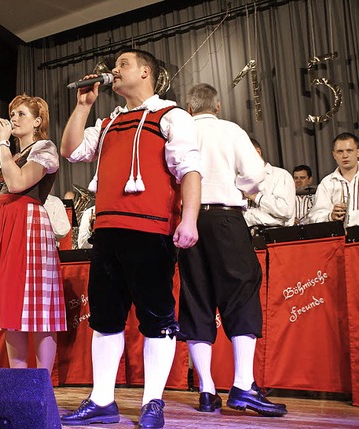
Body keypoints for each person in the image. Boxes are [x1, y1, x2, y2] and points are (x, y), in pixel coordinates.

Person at [59, 49, 202, 429]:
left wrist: (189, 220)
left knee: (156, 318)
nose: (114, 71)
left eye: (122, 64)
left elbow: (189, 171)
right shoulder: (108, 122)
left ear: (145, 72)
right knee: (105, 318)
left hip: (152, 230)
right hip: (107, 232)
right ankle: (102, 399)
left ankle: (152, 402)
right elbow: (70, 150)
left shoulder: (171, 116)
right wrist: (84, 106)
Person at [178, 83, 287, 417]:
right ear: (219, 105)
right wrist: (233, 184)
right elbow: (256, 175)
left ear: (190, 107)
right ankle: (242, 385)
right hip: (226, 218)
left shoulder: (178, 131)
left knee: (196, 297)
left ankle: (207, 392)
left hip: (188, 219)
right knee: (241, 293)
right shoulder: (231, 130)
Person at [0, 94, 67, 375]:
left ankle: (40, 383)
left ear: (38, 122)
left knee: (39, 310)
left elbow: (17, 183)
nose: (13, 118)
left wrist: (2, 143)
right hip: (7, 223)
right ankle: (18, 382)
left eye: (21, 114)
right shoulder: (15, 155)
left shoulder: (45, 148)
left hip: (28, 224)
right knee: (11, 308)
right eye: (12, 113)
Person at [307, 133, 359, 227]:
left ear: (358, 152)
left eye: (349, 150)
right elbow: (314, 217)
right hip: (341, 237)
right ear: (334, 155)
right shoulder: (327, 183)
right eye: (340, 151)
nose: (345, 155)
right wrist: (331, 216)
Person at [243, 139, 295, 228]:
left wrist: (256, 197)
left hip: (276, 235)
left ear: (257, 152)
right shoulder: (240, 180)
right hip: (243, 234)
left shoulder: (280, 175)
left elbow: (284, 211)